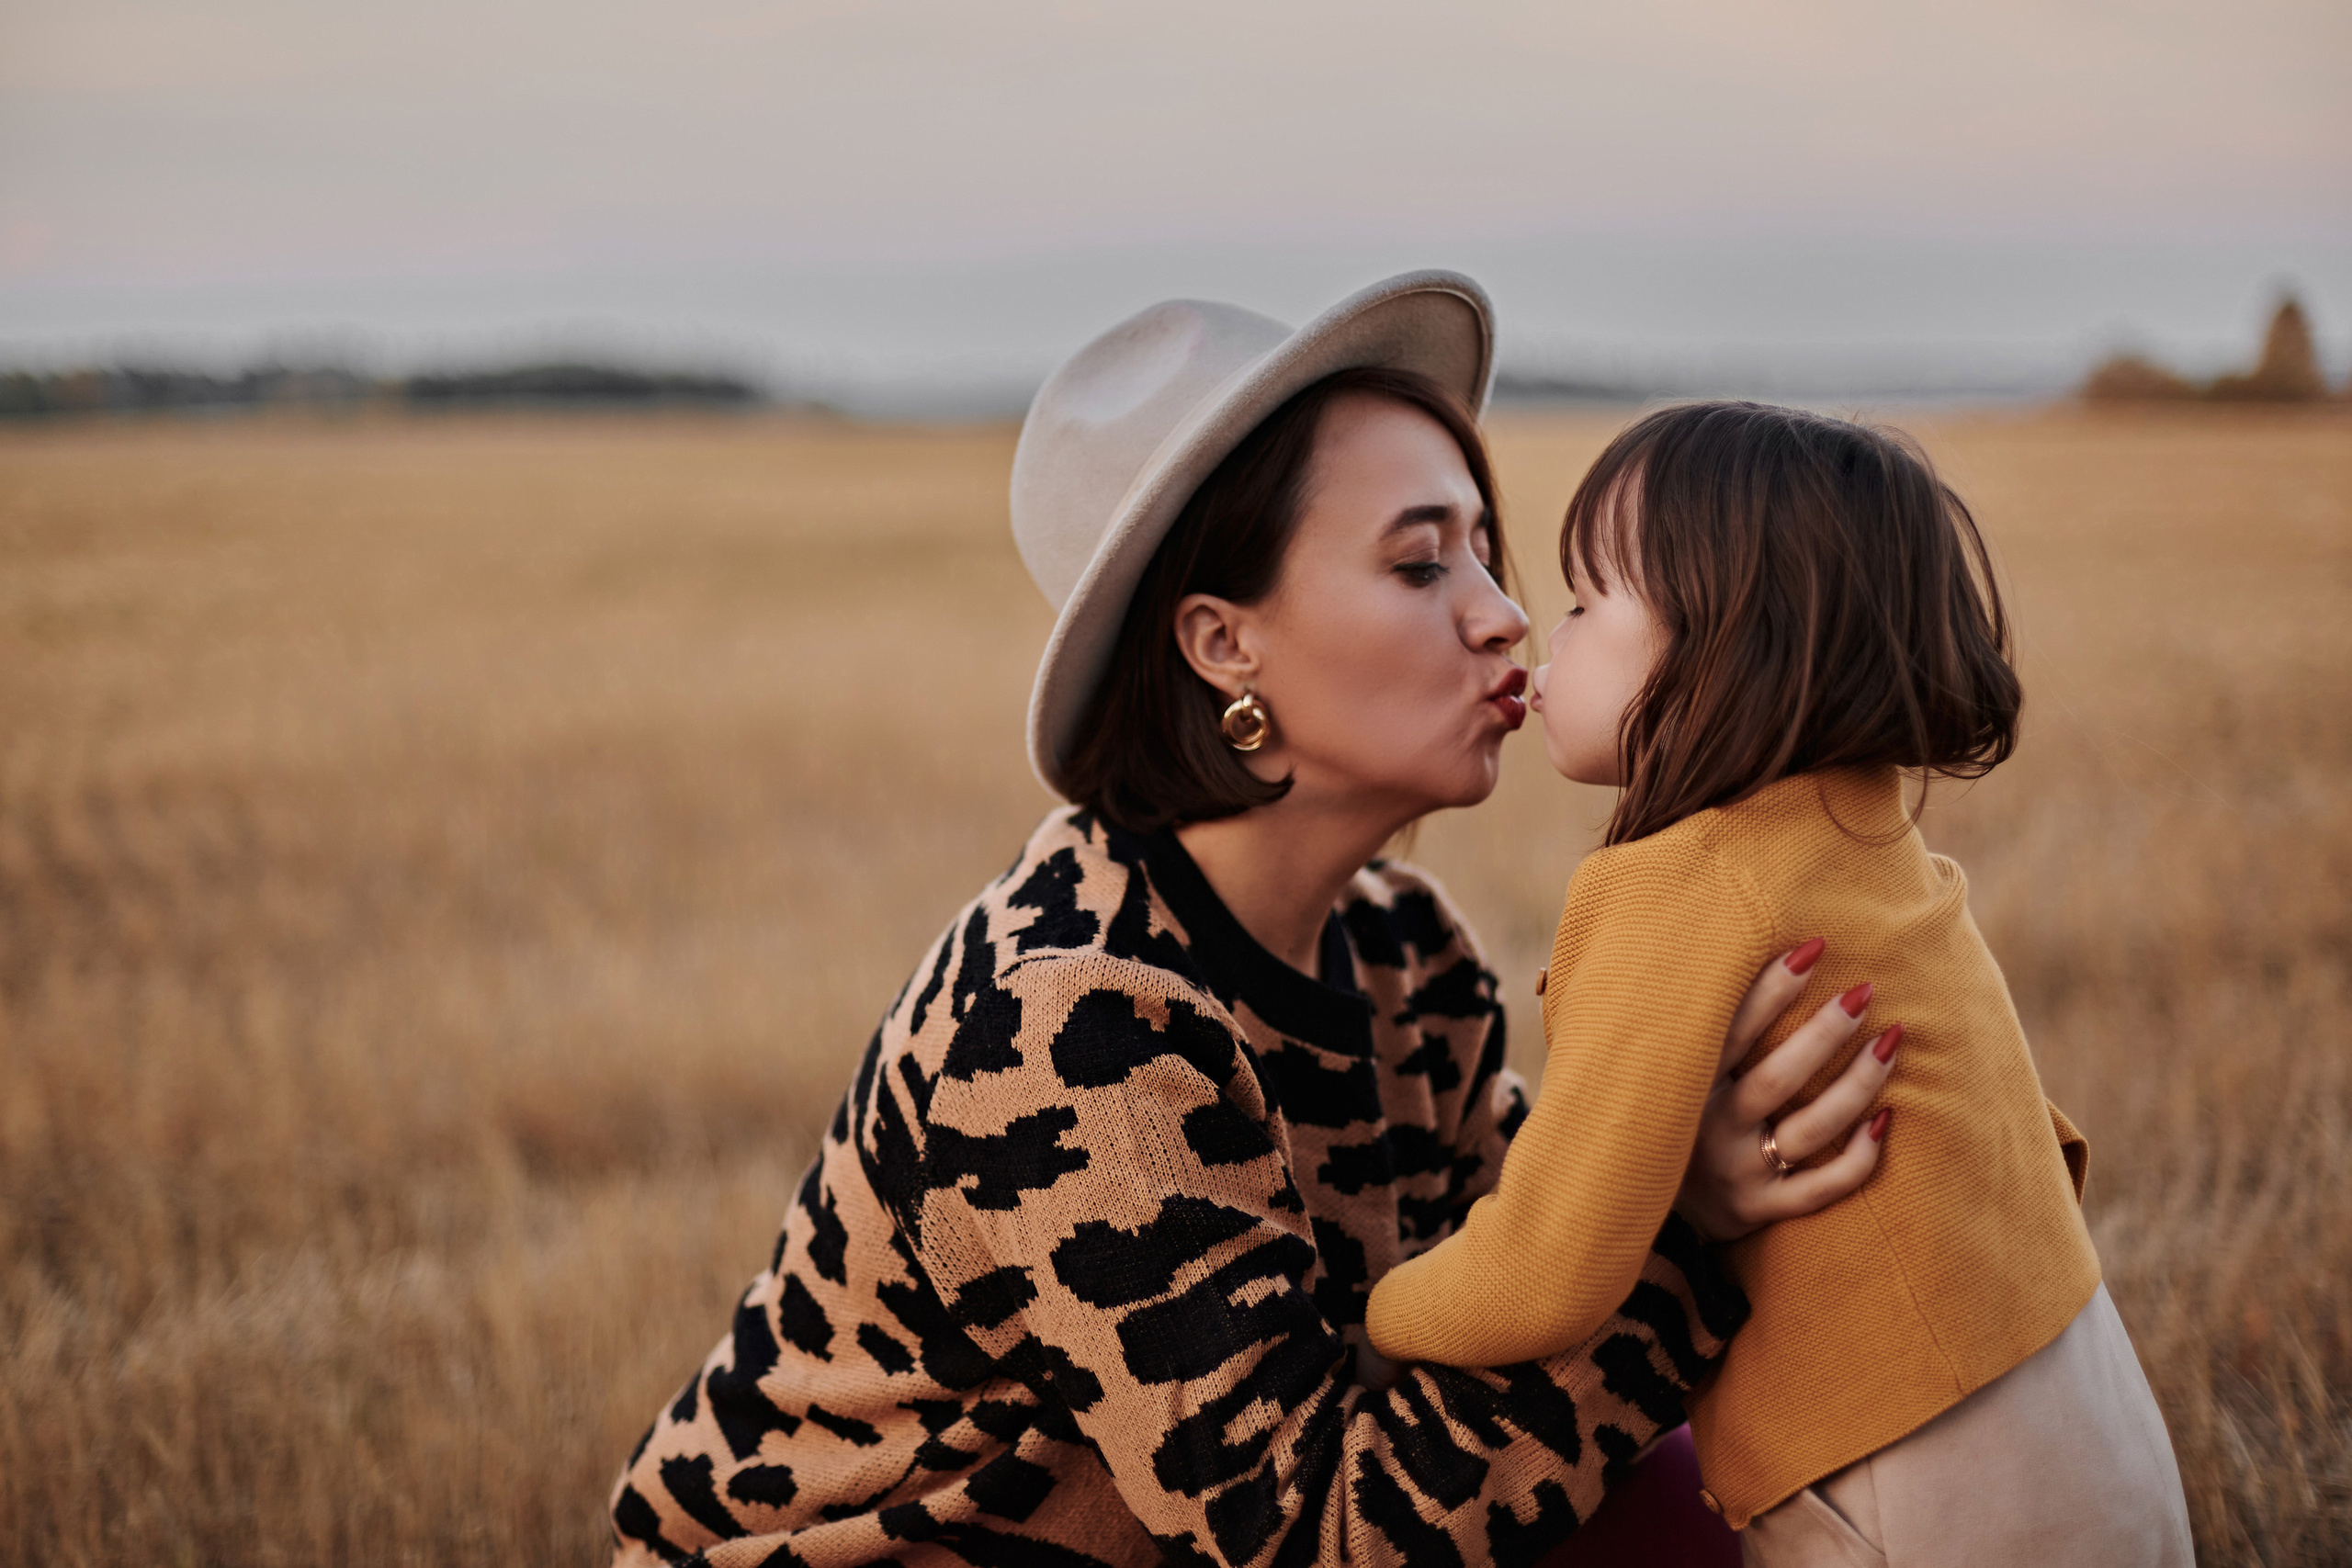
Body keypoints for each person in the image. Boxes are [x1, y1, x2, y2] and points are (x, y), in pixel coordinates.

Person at [609, 276, 1896, 1567]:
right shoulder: (1071, 1016)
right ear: (1223, 643)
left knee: (1700, 1505)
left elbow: (1500, 1310)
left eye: (1483, 548)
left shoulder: (1406, 949)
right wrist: (1679, 1230)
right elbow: (1312, 1537)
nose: (1503, 614)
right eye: (1419, 562)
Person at [1363, 400, 2195, 1565]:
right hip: (2085, 1406)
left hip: (1908, 1477)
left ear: (1724, 650)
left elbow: (1548, 1267)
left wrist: (1381, 1315)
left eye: (1586, 603)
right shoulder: (1863, 830)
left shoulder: (1674, 885)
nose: (1543, 636)